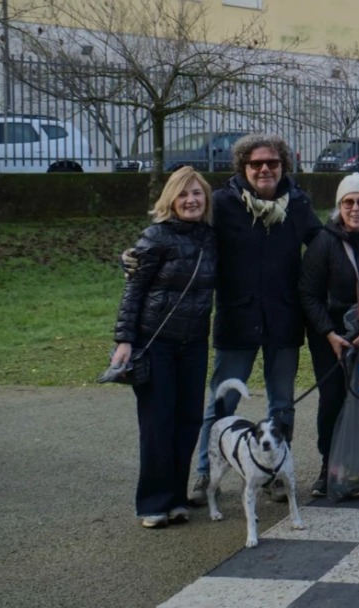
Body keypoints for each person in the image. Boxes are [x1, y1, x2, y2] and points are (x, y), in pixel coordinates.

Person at [189, 134, 321, 506]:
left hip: (283, 317)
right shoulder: (223, 204)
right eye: (256, 164)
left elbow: (323, 245)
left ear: (284, 167)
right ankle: (205, 473)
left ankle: (277, 473)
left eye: (273, 163)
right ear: (243, 167)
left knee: (282, 403)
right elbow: (188, 238)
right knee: (222, 403)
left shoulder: (298, 203)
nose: (265, 169)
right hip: (238, 317)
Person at [112, 167, 217, 528]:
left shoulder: (211, 238)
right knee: (158, 422)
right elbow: (134, 290)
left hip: (194, 343)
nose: (191, 200)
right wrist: (124, 341)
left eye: (197, 194)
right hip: (155, 341)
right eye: (183, 194)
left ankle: (176, 497)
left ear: (206, 199)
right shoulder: (155, 236)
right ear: (171, 199)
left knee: (187, 420)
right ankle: (152, 503)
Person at [299, 173, 359, 498]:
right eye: (348, 202)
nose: (355, 208)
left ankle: (355, 467)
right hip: (330, 337)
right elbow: (308, 293)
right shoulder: (324, 243)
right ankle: (329, 466)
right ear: (339, 206)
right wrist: (328, 334)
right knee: (332, 399)